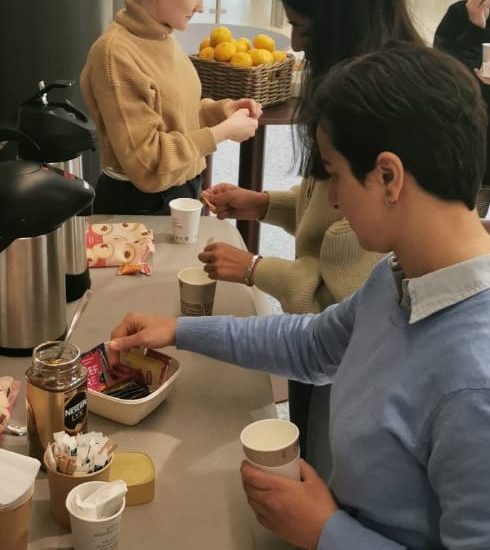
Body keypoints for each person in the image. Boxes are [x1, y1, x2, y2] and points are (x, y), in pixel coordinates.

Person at [108, 42, 490, 548]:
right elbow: (311, 344)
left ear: (388, 177)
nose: (332, 199)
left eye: (334, 175)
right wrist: (178, 330)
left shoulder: (473, 381)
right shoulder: (399, 276)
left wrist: (325, 531)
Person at [197, 0, 423, 477]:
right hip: (329, 351)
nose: (296, 42)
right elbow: (326, 213)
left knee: (324, 468)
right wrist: (264, 204)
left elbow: (329, 308)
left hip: (344, 372)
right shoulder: (362, 101)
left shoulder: (379, 109)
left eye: (302, 27)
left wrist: (255, 268)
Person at [79, 0, 261, 215]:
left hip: (180, 191)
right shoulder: (114, 55)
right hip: (138, 206)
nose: (200, 7)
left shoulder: (163, 38)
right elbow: (148, 164)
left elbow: (173, 115)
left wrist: (220, 112)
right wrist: (222, 132)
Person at [435, 0, 490, 217]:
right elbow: (442, 72)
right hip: (471, 131)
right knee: (471, 212)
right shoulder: (458, 14)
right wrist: (474, 28)